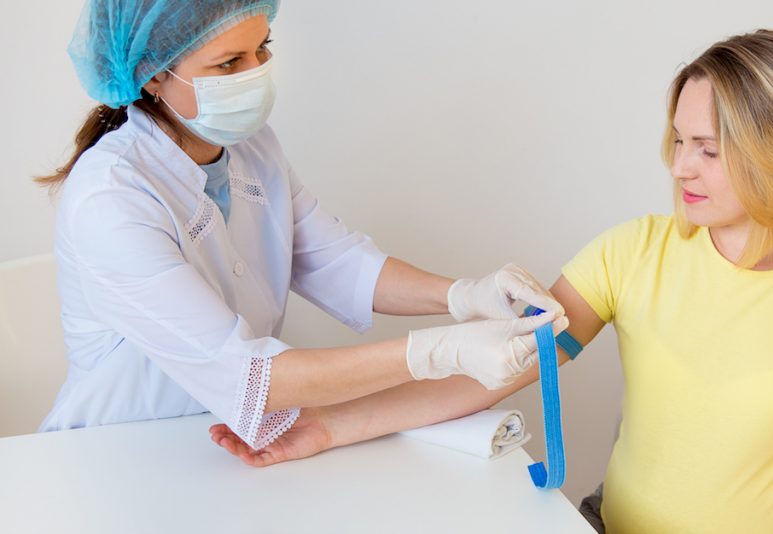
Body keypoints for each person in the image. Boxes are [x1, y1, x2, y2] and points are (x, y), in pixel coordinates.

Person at [211, 29, 773, 533]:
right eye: (680, 141)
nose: (680, 166)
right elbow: (493, 374)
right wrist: (330, 427)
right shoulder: (634, 253)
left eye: (709, 150)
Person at [37, 0, 568, 452]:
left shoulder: (252, 146)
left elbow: (335, 260)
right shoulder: (110, 199)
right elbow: (251, 377)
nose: (254, 72)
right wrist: (440, 352)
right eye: (228, 64)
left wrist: (461, 295)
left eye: (262, 48)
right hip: (114, 452)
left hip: (226, 447)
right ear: (153, 73)